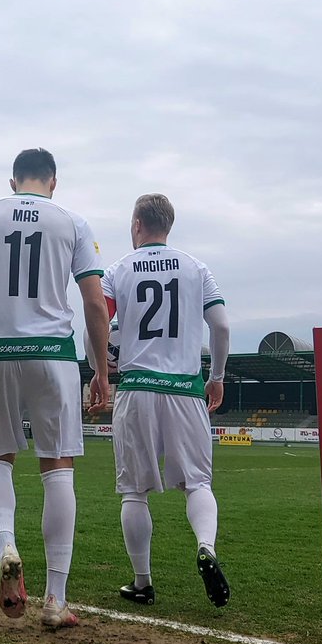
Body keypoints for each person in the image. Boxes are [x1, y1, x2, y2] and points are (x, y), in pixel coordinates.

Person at [0, 148, 110, 630]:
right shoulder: (73, 223)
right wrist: (101, 370)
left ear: (13, 180)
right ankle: (55, 601)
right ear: (53, 182)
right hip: (53, 355)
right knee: (58, 467)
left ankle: (5, 546)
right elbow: (95, 304)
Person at [98, 193, 231, 607]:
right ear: (168, 225)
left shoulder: (117, 270)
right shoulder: (197, 268)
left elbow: (96, 322)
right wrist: (217, 377)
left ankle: (142, 582)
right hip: (185, 389)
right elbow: (222, 325)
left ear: (137, 224)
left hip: (136, 387)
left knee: (134, 492)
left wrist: (100, 373)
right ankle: (205, 547)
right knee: (198, 483)